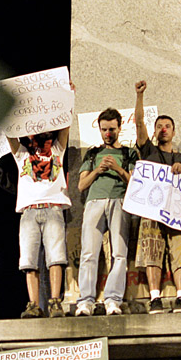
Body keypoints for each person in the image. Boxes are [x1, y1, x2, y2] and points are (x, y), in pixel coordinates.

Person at [133, 81, 181, 314]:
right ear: (155, 130)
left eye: (167, 126)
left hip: (178, 212)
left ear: (173, 131)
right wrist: (139, 95)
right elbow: (139, 123)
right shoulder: (149, 151)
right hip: (152, 210)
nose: (163, 129)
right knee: (152, 250)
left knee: (180, 251)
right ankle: (155, 298)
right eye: (159, 125)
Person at [8, 115, 73, 319]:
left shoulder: (56, 150)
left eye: (43, 133)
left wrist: (66, 98)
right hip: (29, 211)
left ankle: (54, 302)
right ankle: (34, 304)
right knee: (29, 260)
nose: (38, 136)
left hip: (53, 208)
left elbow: (65, 126)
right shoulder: (22, 154)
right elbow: (9, 134)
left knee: (56, 257)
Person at [75, 108, 138, 316]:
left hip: (120, 201)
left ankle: (113, 299)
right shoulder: (92, 153)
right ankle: (85, 301)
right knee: (89, 253)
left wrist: (119, 170)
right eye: (104, 130)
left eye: (112, 129)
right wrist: (98, 170)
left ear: (120, 128)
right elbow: (81, 185)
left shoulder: (129, 153)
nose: (108, 134)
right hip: (94, 202)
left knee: (119, 253)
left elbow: (136, 184)